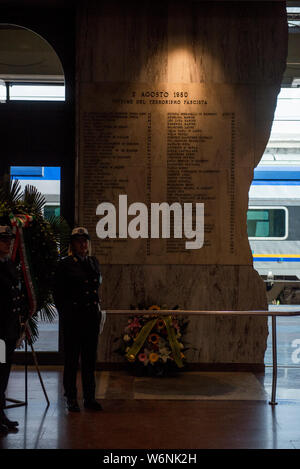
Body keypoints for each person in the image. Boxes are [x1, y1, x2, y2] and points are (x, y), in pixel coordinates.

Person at [53, 227, 103, 412]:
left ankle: (90, 398)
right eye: (78, 241)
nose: (83, 244)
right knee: (72, 361)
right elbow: (57, 294)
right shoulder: (64, 265)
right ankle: (71, 397)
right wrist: (66, 314)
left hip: (90, 318)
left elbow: (96, 288)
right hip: (74, 319)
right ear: (72, 244)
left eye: (85, 241)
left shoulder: (93, 262)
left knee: (90, 361)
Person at [0, 225, 21, 434]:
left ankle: (2, 414)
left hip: (8, 331)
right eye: (4, 240)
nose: (8, 243)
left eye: (9, 240)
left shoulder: (9, 264)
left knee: (4, 373)